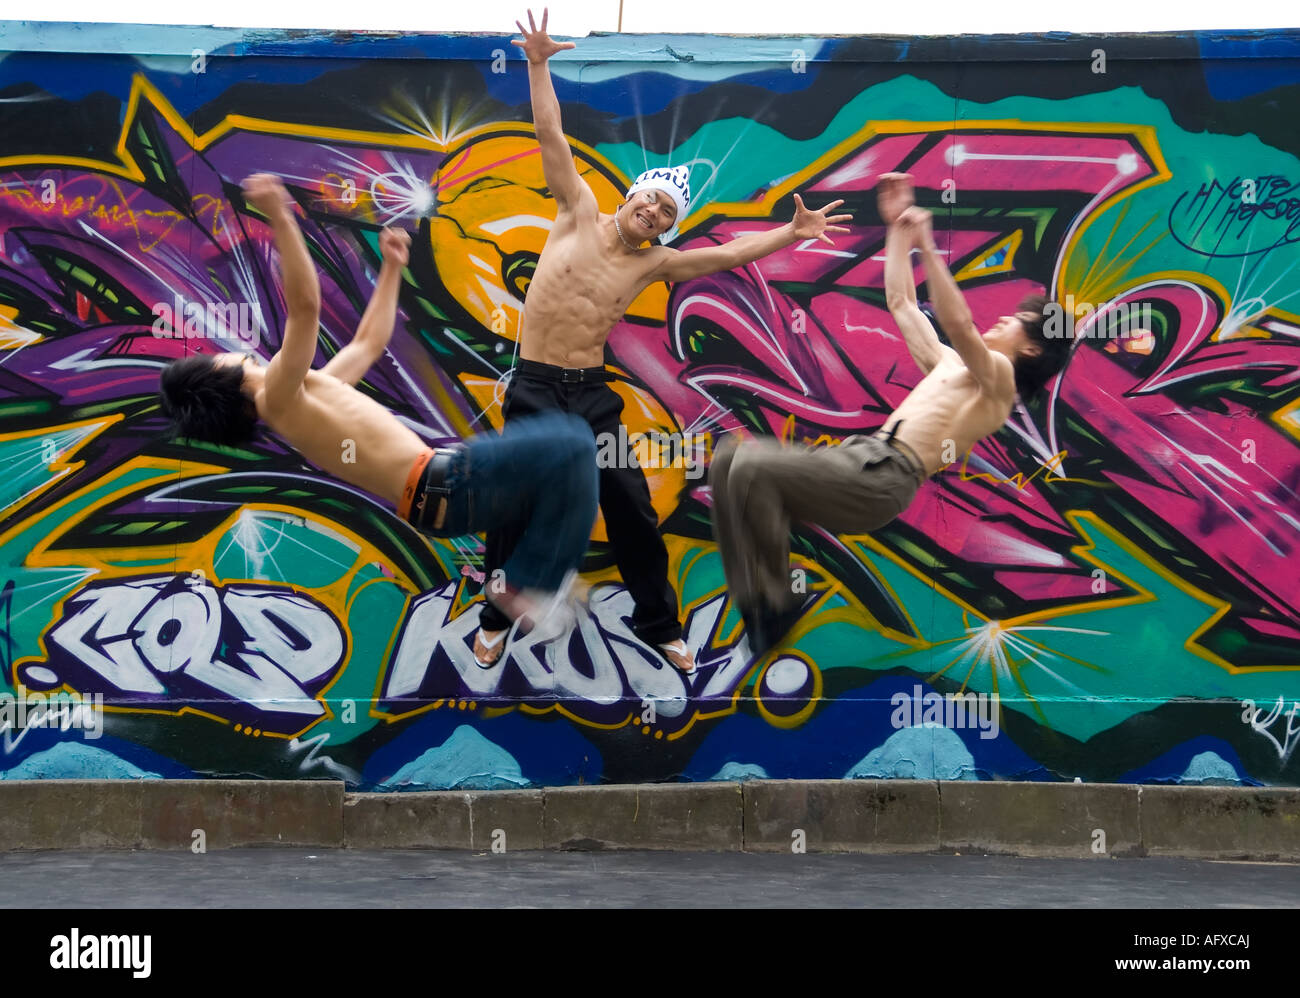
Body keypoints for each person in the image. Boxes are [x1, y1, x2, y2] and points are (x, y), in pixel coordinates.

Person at [476, 8, 852, 672]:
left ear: (663, 230)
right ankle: (494, 617)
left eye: (664, 215)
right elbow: (550, 133)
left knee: (630, 504)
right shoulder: (576, 213)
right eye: (648, 202)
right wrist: (538, 64)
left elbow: (731, 255)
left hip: (590, 395)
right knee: (514, 500)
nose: (651, 214)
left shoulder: (654, 263)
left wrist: (791, 235)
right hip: (534, 385)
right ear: (628, 198)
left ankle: (659, 623)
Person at [158, 173, 598, 645]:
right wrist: (280, 217)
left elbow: (368, 343)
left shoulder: (304, 393)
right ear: (217, 371)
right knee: (572, 444)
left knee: (561, 480)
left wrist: (391, 267)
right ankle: (521, 587)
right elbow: (304, 309)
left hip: (442, 498)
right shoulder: (276, 397)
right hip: (442, 485)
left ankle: (517, 582)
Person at [709, 171, 1070, 656]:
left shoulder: (999, 382)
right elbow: (901, 302)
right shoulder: (952, 368)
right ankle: (768, 601)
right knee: (731, 463)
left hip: (884, 475)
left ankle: (773, 600)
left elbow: (959, 323)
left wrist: (927, 241)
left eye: (1017, 321)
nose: (1003, 319)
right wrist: (899, 232)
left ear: (1029, 350)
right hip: (864, 461)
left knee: (749, 467)